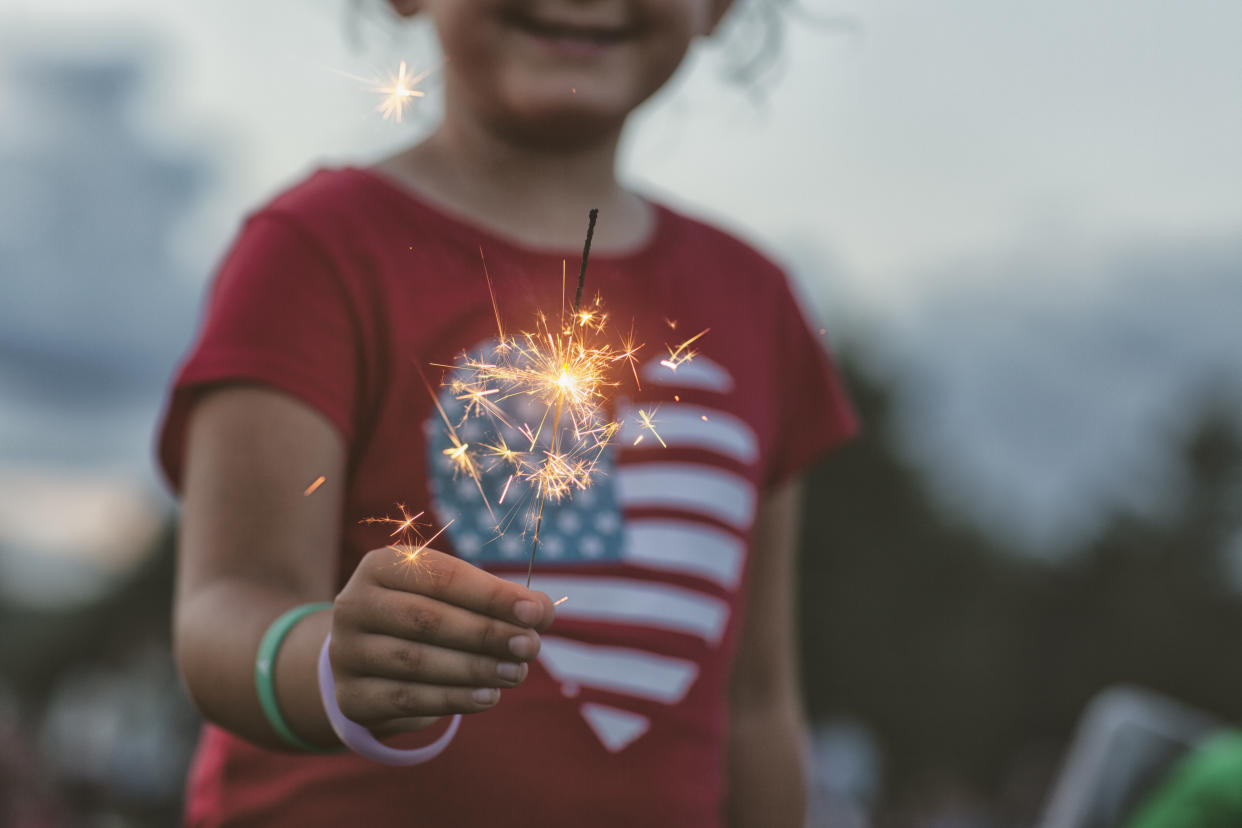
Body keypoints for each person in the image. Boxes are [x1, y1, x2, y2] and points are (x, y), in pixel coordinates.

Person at [158, 1, 857, 825]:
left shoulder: (757, 306)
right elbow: (226, 607)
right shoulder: (314, 252)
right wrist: (325, 667)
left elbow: (759, 701)